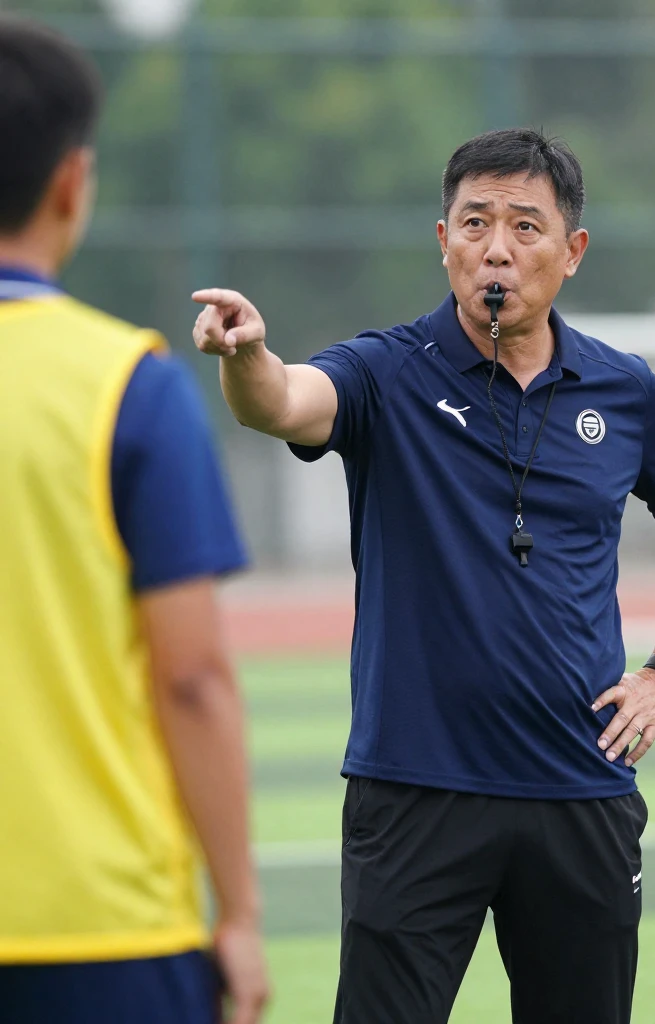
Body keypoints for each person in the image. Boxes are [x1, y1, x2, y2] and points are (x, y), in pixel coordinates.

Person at [193, 127, 655, 1023]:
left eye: (526, 226)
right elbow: (284, 402)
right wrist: (247, 355)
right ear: (443, 241)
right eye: (475, 222)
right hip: (415, 792)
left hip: (581, 787)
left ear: (573, 251)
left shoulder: (625, 390)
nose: (497, 247)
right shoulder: (384, 371)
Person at [0, 17, 269, 1024]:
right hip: (99, 926)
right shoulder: (128, 384)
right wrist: (239, 911)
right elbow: (191, 676)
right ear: (72, 181)